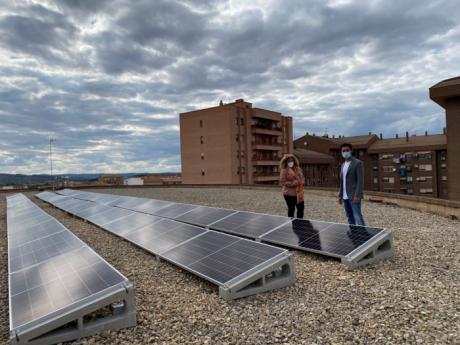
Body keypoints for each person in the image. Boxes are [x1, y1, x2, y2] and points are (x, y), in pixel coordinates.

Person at [338, 143, 366, 226]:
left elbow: (360, 181)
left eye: (347, 150)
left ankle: (363, 235)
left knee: (358, 217)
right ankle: (354, 234)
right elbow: (342, 182)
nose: (345, 152)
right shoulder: (343, 165)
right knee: (349, 217)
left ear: (351, 151)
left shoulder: (358, 163)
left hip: (354, 196)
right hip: (345, 196)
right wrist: (340, 195)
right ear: (341, 152)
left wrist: (357, 195)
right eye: (343, 151)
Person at [279, 154, 304, 218]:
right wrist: (293, 183)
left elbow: (302, 178)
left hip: (299, 193)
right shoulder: (284, 170)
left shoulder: (298, 169)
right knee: (291, 209)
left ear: (294, 161)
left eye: (292, 161)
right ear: (286, 162)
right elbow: (282, 182)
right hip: (289, 194)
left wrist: (301, 180)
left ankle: (300, 223)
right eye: (289, 161)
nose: (290, 162)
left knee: (301, 208)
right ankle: (291, 223)